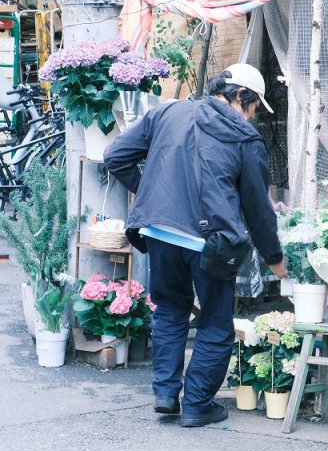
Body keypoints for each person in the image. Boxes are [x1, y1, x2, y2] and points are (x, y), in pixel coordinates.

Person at [105, 63, 287, 428]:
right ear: (239, 97)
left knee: (170, 310)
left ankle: (166, 395)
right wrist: (275, 259)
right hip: (211, 242)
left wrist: (152, 194)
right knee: (216, 323)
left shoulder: (168, 111)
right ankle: (197, 404)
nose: (251, 118)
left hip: (159, 233)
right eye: (252, 109)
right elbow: (257, 207)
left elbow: (115, 157)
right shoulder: (243, 137)